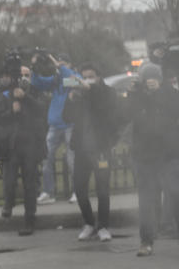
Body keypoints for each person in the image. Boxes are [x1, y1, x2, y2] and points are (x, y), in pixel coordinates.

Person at [63, 65, 121, 242]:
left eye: (91, 76)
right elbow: (66, 117)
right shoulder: (79, 94)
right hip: (82, 149)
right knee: (80, 188)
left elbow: (108, 113)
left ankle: (103, 226)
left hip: (101, 148)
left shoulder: (107, 92)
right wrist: (71, 100)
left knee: (103, 189)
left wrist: (92, 93)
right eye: (84, 77)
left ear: (99, 77)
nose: (87, 80)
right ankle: (89, 223)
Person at [129, 62, 179, 256]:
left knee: (175, 194)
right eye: (147, 79)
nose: (150, 82)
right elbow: (126, 114)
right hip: (145, 155)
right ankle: (146, 240)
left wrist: (158, 92)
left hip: (168, 153)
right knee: (147, 199)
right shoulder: (137, 95)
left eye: (154, 79)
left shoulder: (170, 93)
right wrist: (133, 94)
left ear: (160, 79)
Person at [0, 69, 45, 235]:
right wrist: (11, 111)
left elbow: (42, 111)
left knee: (30, 184)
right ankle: (8, 203)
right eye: (20, 75)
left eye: (27, 75)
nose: (23, 78)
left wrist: (25, 97)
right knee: (9, 180)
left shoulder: (35, 92)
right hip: (11, 144)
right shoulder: (5, 95)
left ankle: (30, 220)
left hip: (30, 145)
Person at [30, 52, 78, 204]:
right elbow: (38, 83)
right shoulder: (56, 79)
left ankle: (78, 191)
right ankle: (48, 192)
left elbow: (73, 82)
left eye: (64, 63)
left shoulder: (73, 77)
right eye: (59, 62)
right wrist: (34, 68)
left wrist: (60, 68)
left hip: (70, 125)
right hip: (55, 124)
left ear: (70, 65)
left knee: (72, 161)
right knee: (47, 158)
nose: (61, 65)